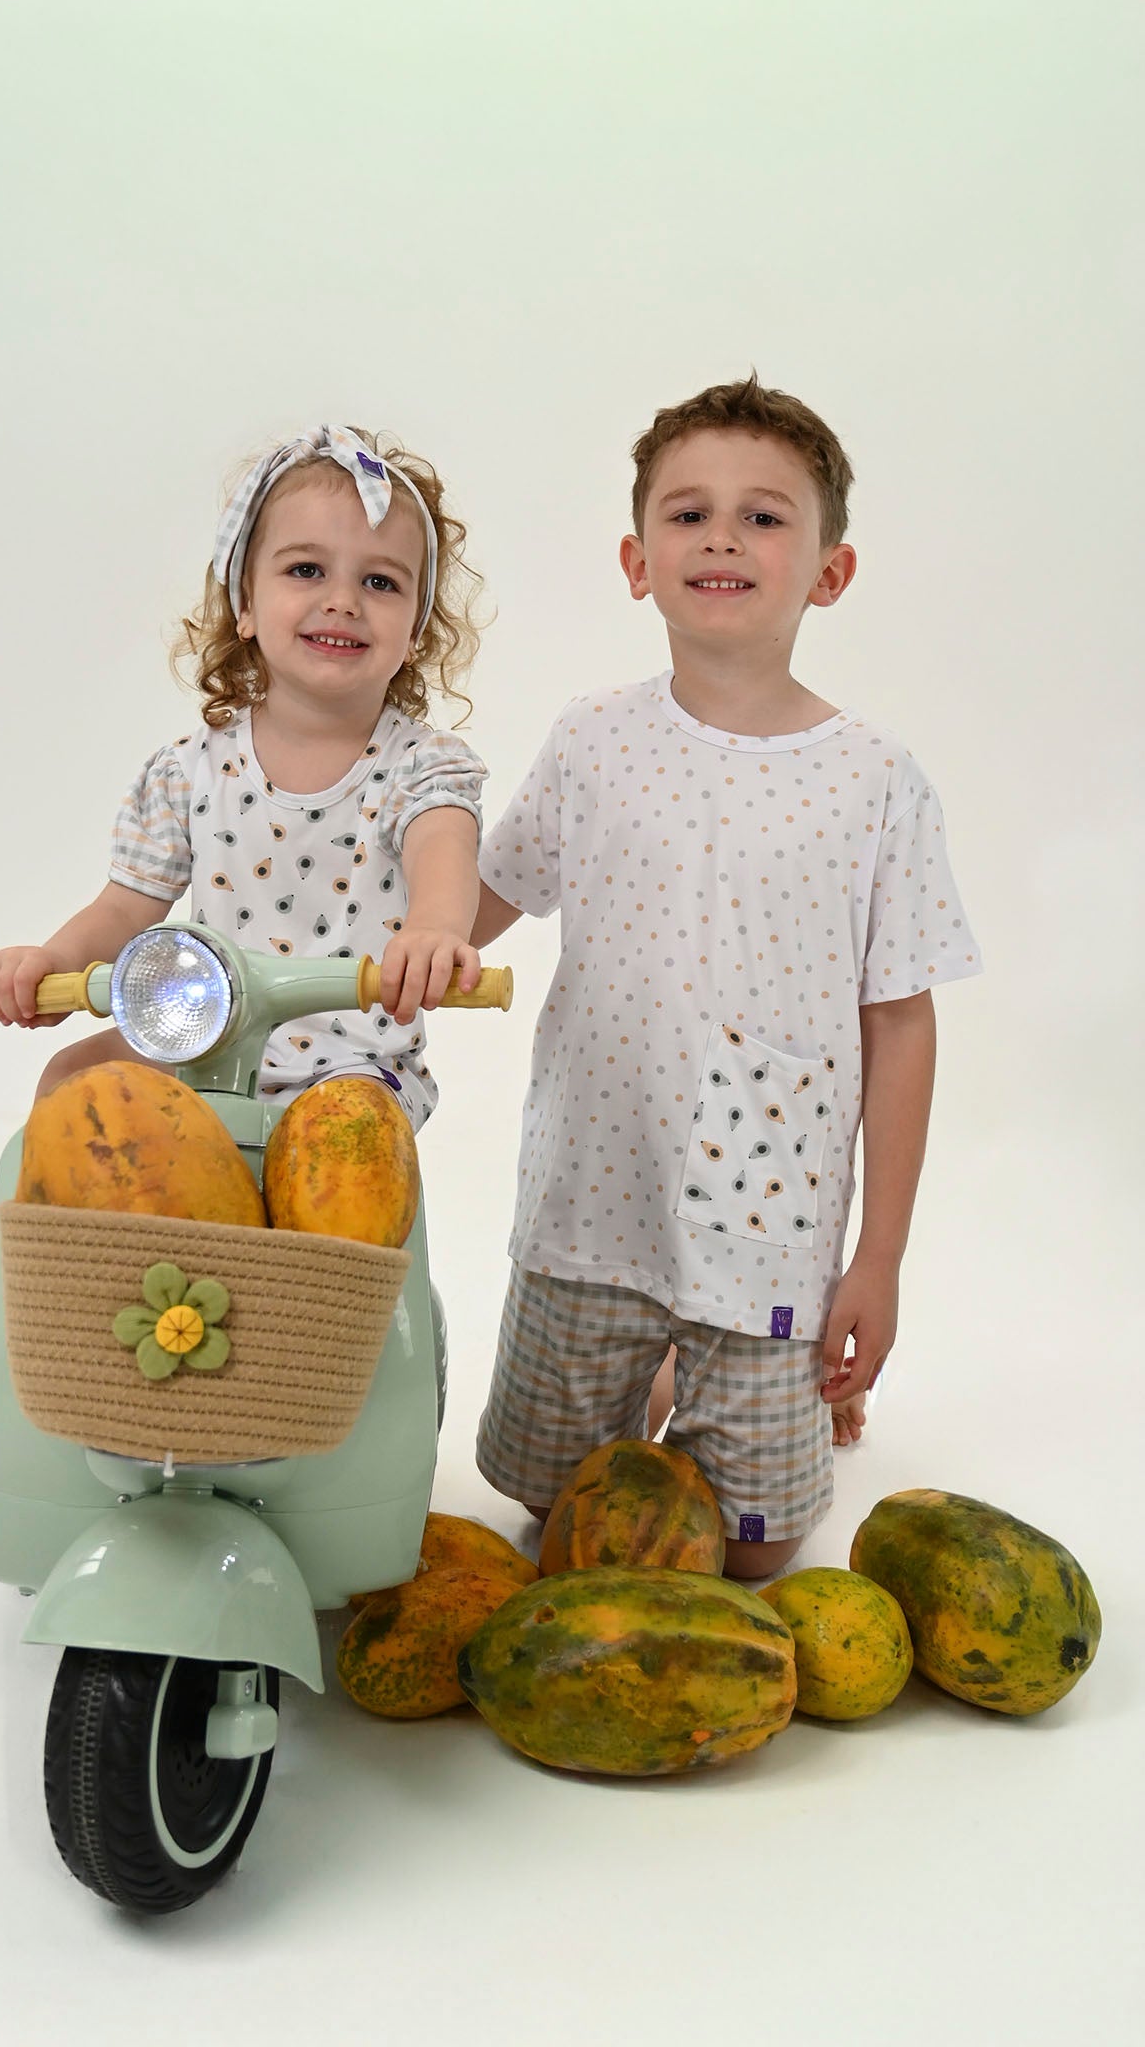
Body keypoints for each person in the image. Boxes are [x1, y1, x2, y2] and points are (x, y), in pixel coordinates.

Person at [471, 375, 981, 1579]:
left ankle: (740, 1383)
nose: (722, 537)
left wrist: (878, 1257)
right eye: (689, 512)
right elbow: (478, 905)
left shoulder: (876, 778)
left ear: (829, 572)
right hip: (594, 1198)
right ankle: (657, 1366)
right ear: (636, 560)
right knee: (550, 1509)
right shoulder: (591, 738)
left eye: (763, 516)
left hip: (769, 1218)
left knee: (753, 1554)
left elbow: (902, 1023)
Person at [0, 424, 488, 1122]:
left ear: (416, 630)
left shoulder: (423, 770)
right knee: (74, 1079)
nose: (343, 599)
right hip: (205, 1041)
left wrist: (433, 932)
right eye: (306, 570)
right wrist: (51, 961)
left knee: (350, 1134)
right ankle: (105, 1202)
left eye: (380, 581)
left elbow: (443, 854)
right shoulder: (190, 772)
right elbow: (123, 909)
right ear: (245, 603)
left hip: (354, 1064)